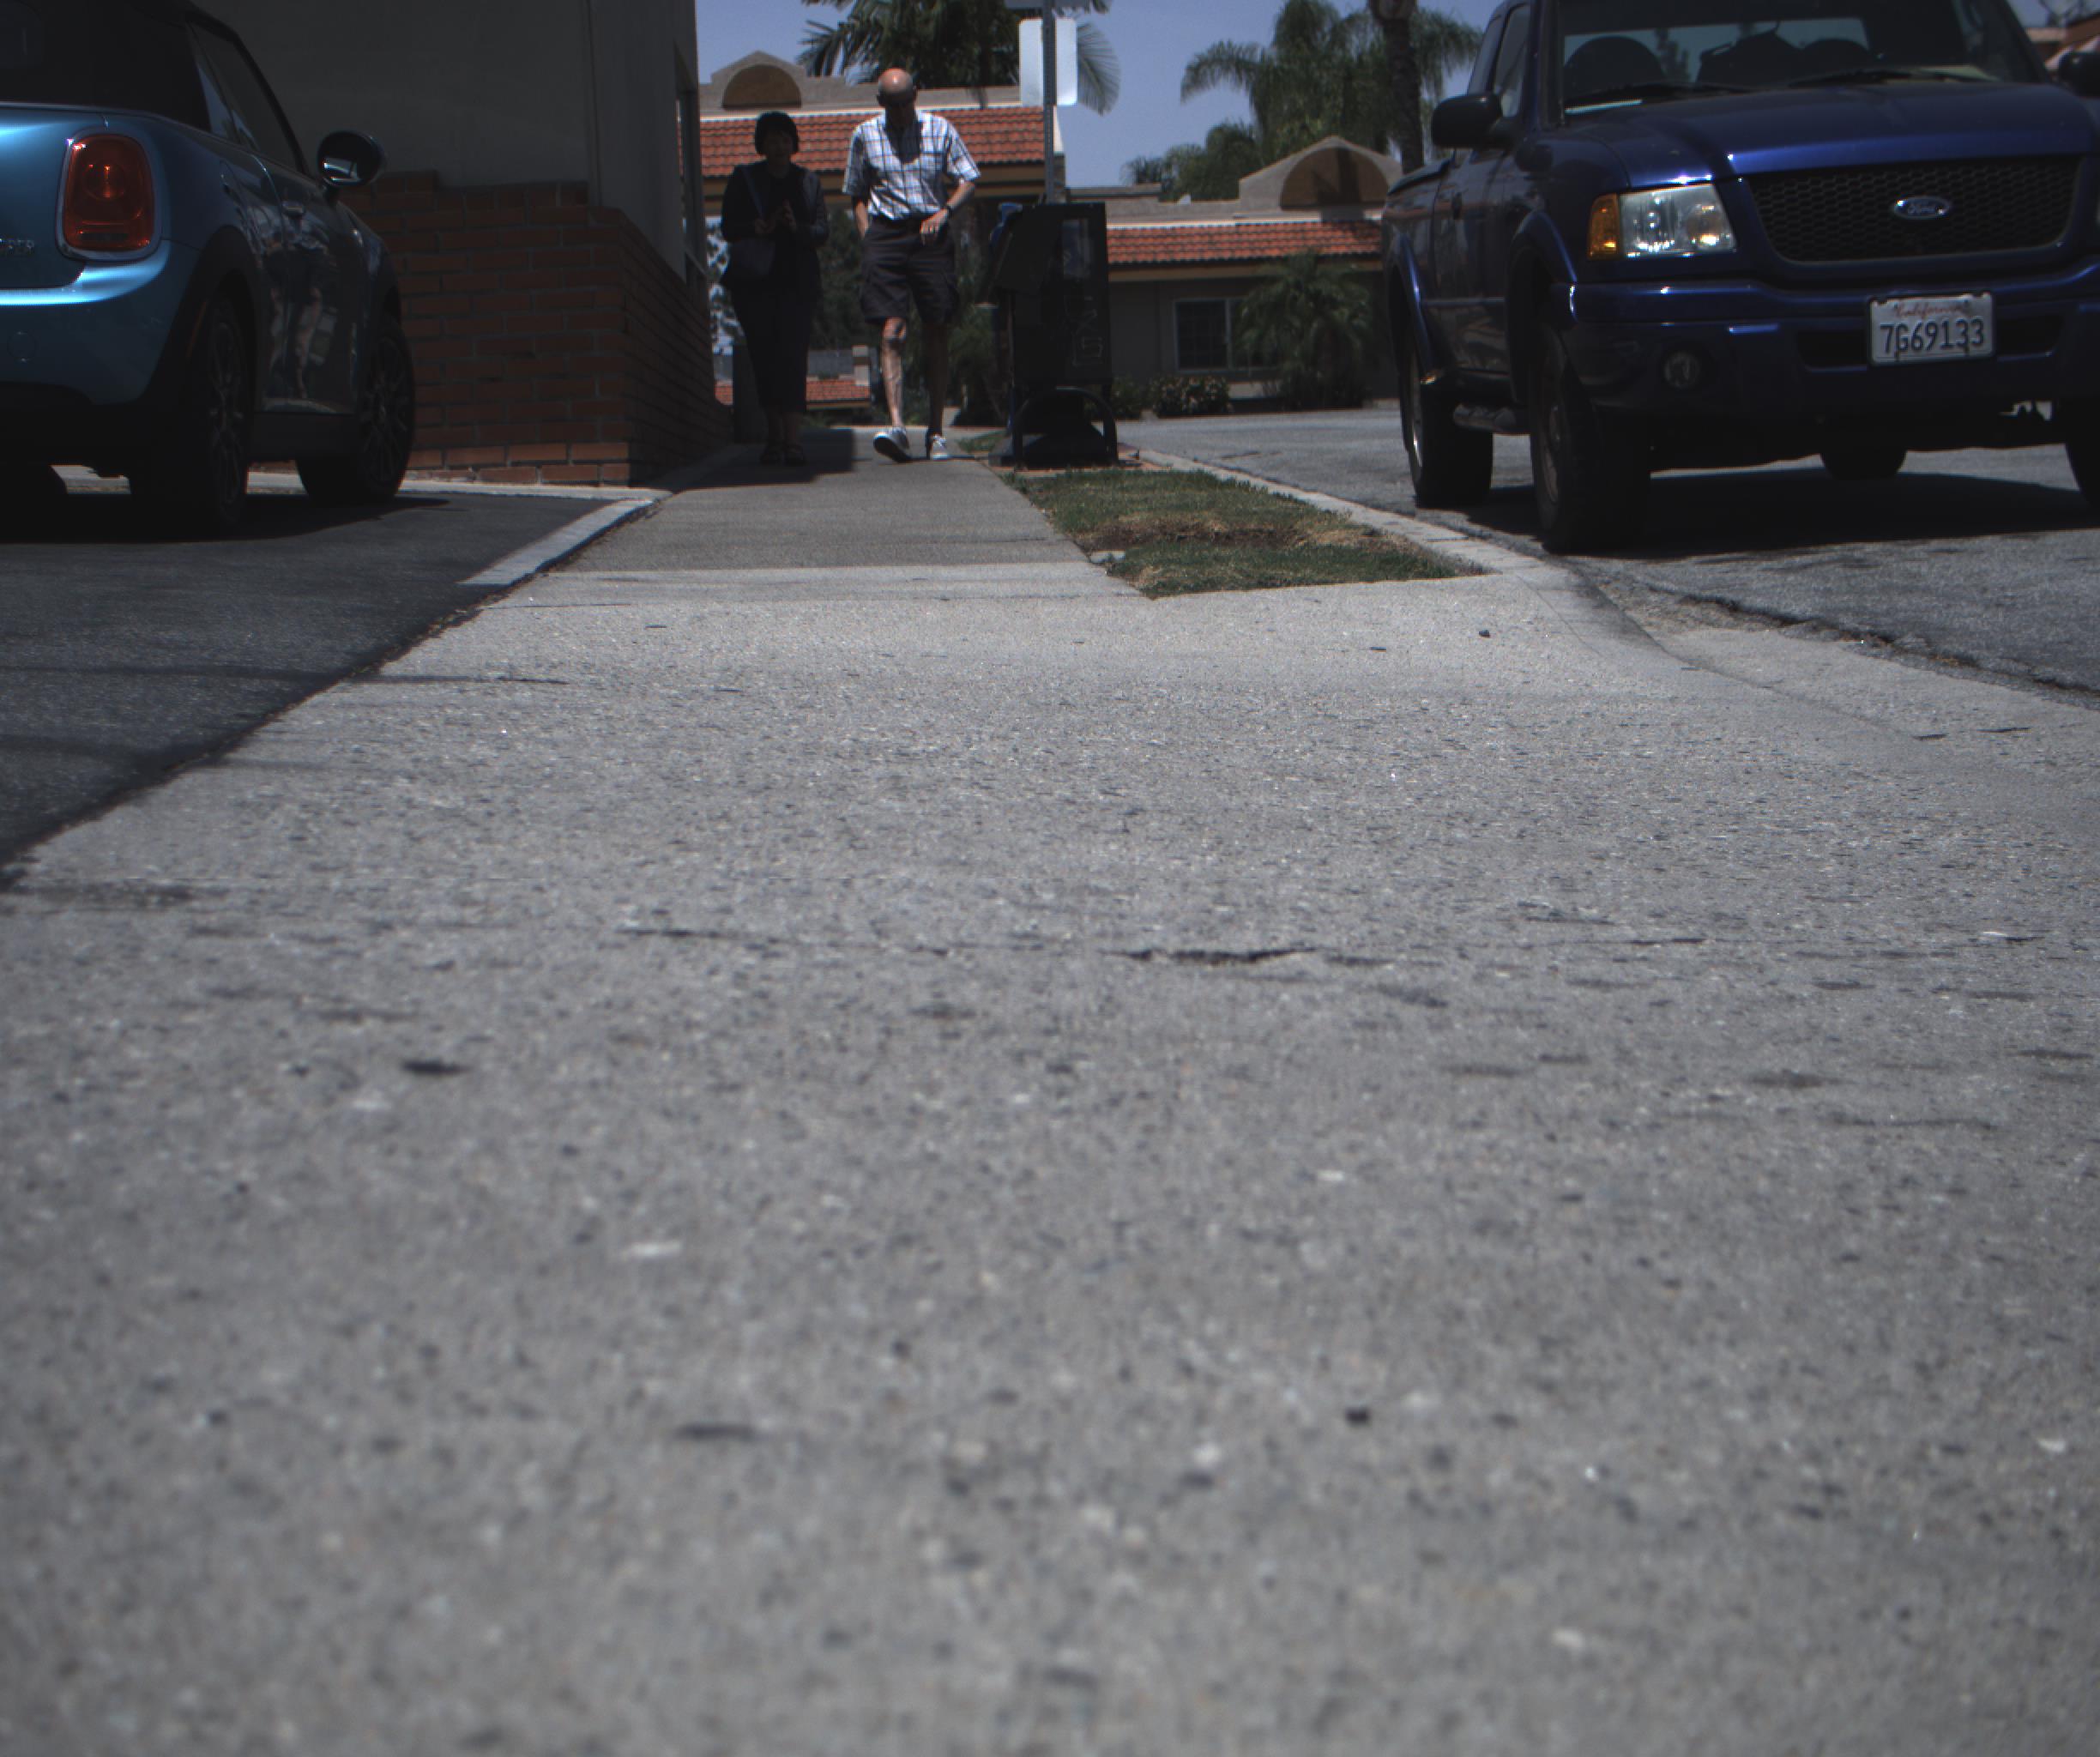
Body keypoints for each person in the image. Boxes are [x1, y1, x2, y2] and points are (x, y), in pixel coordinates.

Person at [842, 69, 980, 463]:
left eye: (906, 102)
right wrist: (867, 236)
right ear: (880, 102)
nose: (901, 111)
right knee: (892, 330)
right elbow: (856, 192)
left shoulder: (939, 129)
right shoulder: (865, 135)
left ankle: (936, 431)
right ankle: (898, 426)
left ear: (915, 96)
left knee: (937, 325)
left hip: (930, 232)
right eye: (893, 104)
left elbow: (968, 179)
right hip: (886, 234)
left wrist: (945, 212)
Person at [720, 111, 829, 466]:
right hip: (755, 284)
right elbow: (728, 227)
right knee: (764, 359)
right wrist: (757, 227)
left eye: (784, 139)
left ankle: (793, 440)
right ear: (761, 145)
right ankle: (774, 437)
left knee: (793, 360)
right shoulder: (744, 179)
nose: (779, 146)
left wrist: (796, 228)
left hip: (797, 283)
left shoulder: (808, 181)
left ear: (794, 144)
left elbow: (822, 231)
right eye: (772, 139)